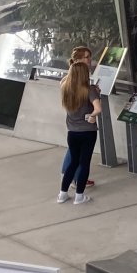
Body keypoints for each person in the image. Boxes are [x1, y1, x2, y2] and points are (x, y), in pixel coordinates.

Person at [57, 56, 102, 204]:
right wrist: (92, 115)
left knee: (73, 163)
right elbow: (98, 109)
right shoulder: (89, 90)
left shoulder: (65, 88)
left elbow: (64, 80)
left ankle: (62, 194)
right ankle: (79, 196)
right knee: (84, 163)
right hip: (88, 132)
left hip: (72, 132)